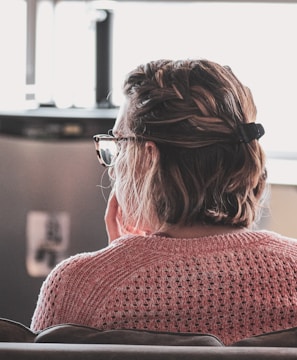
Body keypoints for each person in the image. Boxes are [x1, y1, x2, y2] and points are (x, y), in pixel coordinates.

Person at [31, 59, 297, 345]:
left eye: (119, 144)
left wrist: (112, 267)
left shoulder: (79, 284)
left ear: (148, 158)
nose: (113, 165)